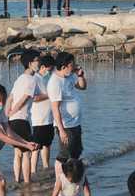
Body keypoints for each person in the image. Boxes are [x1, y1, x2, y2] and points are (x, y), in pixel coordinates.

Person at [7, 50, 43, 183]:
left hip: (12, 121)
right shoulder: (32, 80)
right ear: (30, 63)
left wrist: (7, 114)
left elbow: (10, 98)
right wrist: (13, 111)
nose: (39, 63)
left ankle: (17, 180)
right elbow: (23, 99)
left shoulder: (19, 78)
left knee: (17, 153)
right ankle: (27, 183)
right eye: (37, 60)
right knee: (27, 152)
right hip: (22, 120)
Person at [49, 52, 87, 163]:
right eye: (72, 64)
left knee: (76, 151)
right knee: (64, 155)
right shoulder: (55, 82)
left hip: (75, 122)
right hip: (65, 125)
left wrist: (80, 75)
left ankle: (73, 176)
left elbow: (83, 87)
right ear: (63, 66)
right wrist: (61, 130)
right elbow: (55, 108)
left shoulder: (69, 76)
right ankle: (59, 180)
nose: (75, 66)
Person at [31, 55, 56, 173]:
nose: (50, 72)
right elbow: (34, 98)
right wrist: (49, 95)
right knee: (36, 147)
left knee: (47, 144)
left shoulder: (48, 79)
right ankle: (32, 172)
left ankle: (46, 169)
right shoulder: (34, 79)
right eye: (49, 69)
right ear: (42, 67)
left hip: (49, 118)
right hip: (39, 119)